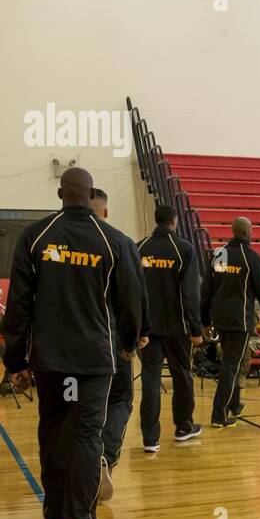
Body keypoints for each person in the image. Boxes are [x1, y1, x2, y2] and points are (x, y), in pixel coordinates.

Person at [3, 168, 143, 519]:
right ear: (90, 195)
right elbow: (131, 301)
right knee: (86, 437)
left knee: (53, 429)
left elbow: (18, 304)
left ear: (61, 192)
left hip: (50, 359)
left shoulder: (35, 237)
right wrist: (129, 342)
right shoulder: (115, 241)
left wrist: (14, 359)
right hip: (94, 360)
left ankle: (55, 511)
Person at [89, 187, 148, 495]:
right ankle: (106, 456)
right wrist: (134, 339)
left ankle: (78, 469)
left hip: (68, 348)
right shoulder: (122, 242)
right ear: (106, 211)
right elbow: (134, 296)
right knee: (120, 399)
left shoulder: (51, 240)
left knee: (76, 409)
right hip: (111, 343)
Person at [137, 204, 204, 450]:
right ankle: (184, 427)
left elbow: (133, 291)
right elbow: (190, 293)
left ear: (157, 220)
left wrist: (136, 327)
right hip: (178, 328)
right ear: (174, 221)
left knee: (150, 379)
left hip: (147, 329)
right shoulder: (184, 249)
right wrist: (196, 329)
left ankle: (150, 438)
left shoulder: (139, 247)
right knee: (182, 376)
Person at [202, 217, 260, 427]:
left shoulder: (219, 253)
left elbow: (206, 290)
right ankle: (218, 414)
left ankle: (234, 404)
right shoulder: (252, 257)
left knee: (229, 361)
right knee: (231, 365)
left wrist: (205, 320)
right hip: (240, 319)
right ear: (247, 232)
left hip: (220, 318)